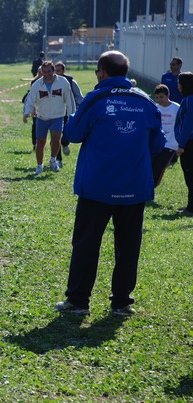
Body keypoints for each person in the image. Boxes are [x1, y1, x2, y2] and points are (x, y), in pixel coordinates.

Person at [55, 50, 166, 316]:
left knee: (86, 243)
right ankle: (121, 302)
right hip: (134, 187)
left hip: (97, 187)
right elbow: (158, 143)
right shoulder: (146, 101)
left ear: (102, 72)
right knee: (128, 245)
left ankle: (79, 301)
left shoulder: (97, 99)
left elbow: (72, 133)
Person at [23, 61, 75, 175]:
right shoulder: (37, 84)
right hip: (41, 116)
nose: (47, 74)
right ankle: (39, 166)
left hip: (57, 116)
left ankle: (53, 159)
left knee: (56, 138)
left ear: (53, 71)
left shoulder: (63, 82)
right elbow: (31, 99)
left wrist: (72, 115)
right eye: (44, 72)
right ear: (41, 72)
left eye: (49, 71)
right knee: (40, 142)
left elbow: (69, 99)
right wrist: (26, 113)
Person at [54, 61, 84, 162]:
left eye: (58, 71)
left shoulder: (71, 82)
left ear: (63, 71)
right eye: (55, 71)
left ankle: (65, 143)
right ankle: (58, 159)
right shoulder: (50, 82)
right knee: (55, 136)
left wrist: (79, 108)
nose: (56, 73)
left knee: (66, 134)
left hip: (69, 112)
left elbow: (79, 97)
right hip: (55, 113)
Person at [152, 84, 180, 186]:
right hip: (157, 143)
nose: (159, 100)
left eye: (162, 97)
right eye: (157, 97)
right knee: (151, 166)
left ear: (168, 95)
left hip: (170, 144)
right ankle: (147, 187)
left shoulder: (176, 108)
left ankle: (152, 187)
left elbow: (181, 125)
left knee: (159, 167)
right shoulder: (155, 108)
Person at [174, 71, 193, 217]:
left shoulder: (189, 100)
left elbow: (187, 124)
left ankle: (191, 208)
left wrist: (181, 144)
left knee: (190, 174)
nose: (177, 85)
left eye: (179, 82)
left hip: (189, 143)